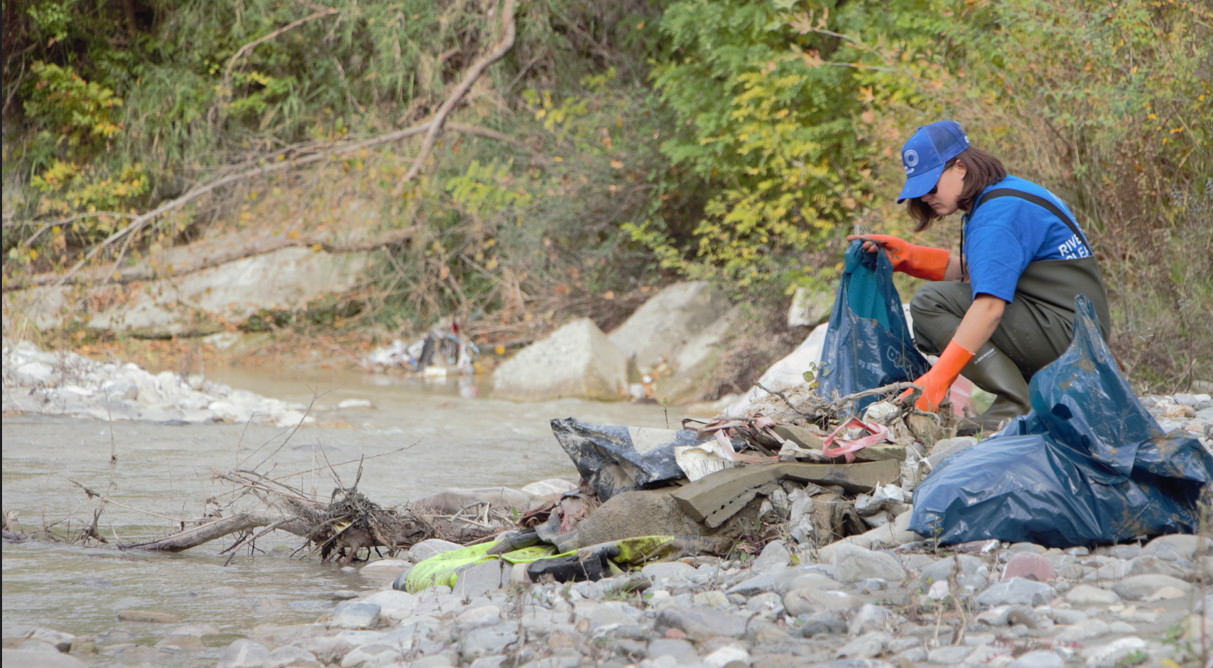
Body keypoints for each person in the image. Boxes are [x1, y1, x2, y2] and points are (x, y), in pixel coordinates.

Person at [847, 120, 1112, 432]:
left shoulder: (996, 215)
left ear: (960, 166)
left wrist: (938, 379)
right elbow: (985, 272)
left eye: (931, 186)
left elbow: (989, 306)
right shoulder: (1001, 196)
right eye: (919, 192)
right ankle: (1032, 397)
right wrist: (908, 257)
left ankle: (1018, 404)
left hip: (1070, 337)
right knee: (940, 305)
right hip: (1073, 331)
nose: (927, 198)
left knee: (929, 304)